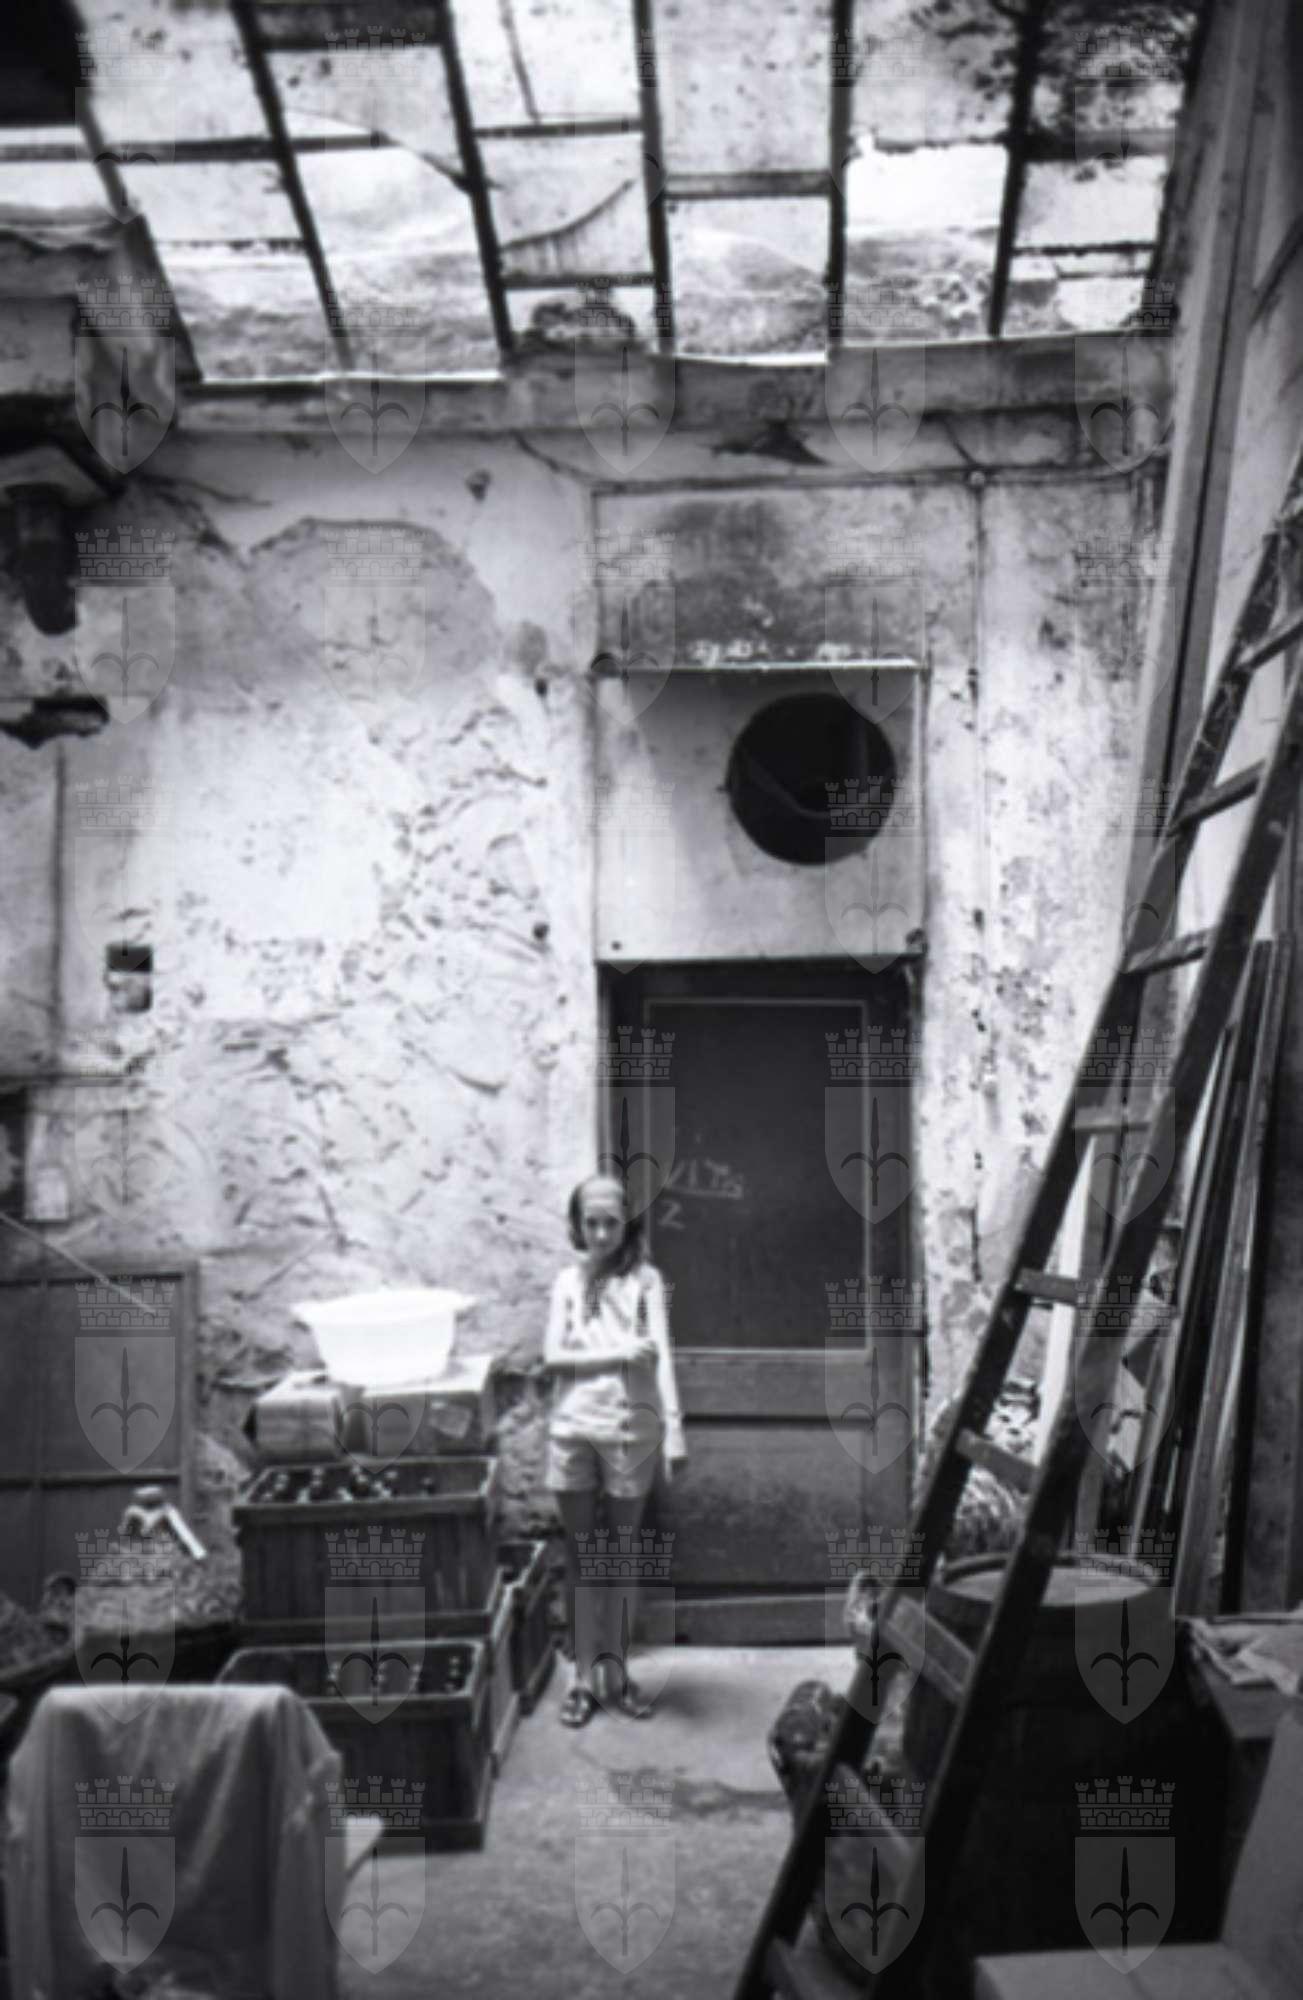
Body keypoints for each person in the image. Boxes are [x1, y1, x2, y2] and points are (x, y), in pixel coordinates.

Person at [542, 1172, 686, 1725]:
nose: (601, 1234)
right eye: (591, 1223)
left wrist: (674, 1430)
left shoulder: (646, 1282)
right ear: (577, 1227)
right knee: (581, 1556)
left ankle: (618, 1673)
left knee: (622, 1556)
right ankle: (582, 1678)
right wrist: (619, 1354)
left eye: (611, 1222)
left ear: (627, 1223)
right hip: (573, 1427)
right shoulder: (567, 1283)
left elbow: (661, 1355)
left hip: (630, 1430)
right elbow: (553, 1357)